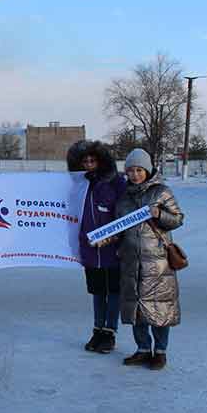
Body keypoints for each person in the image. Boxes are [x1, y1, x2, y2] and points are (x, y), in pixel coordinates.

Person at [114, 148, 184, 370]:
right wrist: (108, 240)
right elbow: (118, 228)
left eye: (139, 170)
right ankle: (143, 349)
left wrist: (159, 214)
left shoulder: (161, 192)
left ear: (147, 169)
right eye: (130, 171)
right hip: (131, 263)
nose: (134, 175)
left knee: (160, 308)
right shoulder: (124, 197)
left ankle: (160, 352)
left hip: (157, 263)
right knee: (137, 309)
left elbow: (178, 219)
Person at [67, 140, 126, 354]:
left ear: (101, 161)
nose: (89, 164)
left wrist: (118, 239)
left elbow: (125, 214)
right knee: (97, 292)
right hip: (90, 250)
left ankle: (110, 332)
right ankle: (97, 330)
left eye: (93, 160)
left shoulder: (116, 182)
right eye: (85, 161)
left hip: (113, 249)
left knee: (114, 291)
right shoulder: (78, 185)